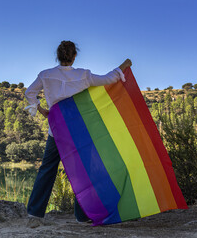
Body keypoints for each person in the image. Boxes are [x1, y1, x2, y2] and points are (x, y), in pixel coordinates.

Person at [24, 40, 132, 227]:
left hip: (56, 130)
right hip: (79, 131)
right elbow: (108, 79)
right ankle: (82, 216)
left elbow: (29, 93)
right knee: (83, 172)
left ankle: (35, 214)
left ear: (57, 56)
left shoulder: (46, 75)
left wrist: (41, 111)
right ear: (74, 56)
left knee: (47, 169)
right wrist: (124, 65)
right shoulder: (84, 75)